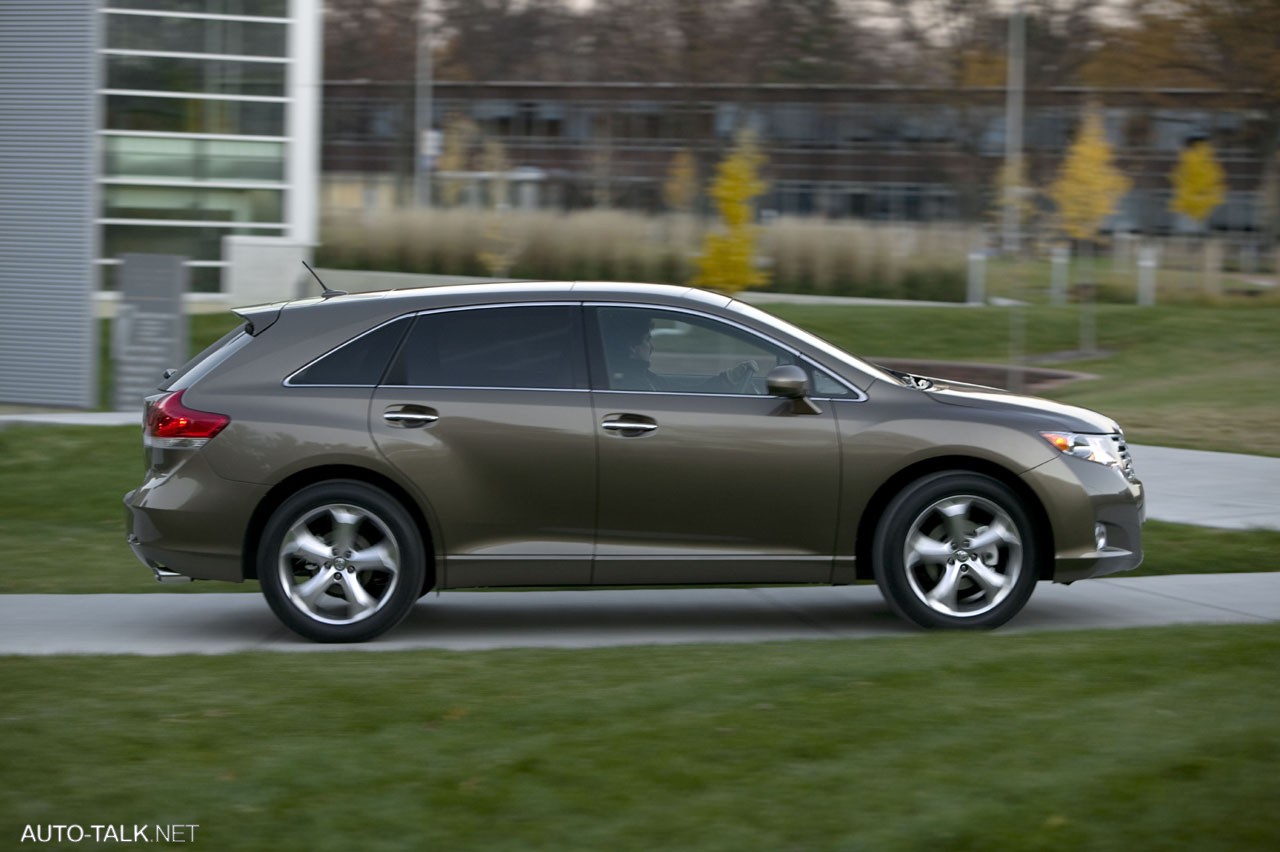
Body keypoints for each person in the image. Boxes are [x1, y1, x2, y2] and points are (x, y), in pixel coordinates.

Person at [606, 313, 759, 393]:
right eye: (647, 340)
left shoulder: (643, 376)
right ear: (633, 348)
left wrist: (727, 378)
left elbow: (687, 392)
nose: (652, 347)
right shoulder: (634, 384)